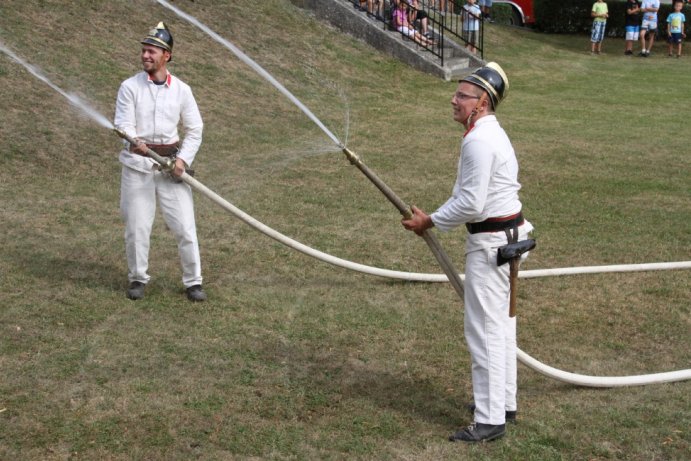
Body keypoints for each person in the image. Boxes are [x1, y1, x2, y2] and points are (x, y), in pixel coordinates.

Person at [401, 62, 533, 443]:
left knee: (486, 331)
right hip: (506, 238)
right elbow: (468, 196)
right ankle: (503, 403)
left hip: (493, 244)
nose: (454, 99)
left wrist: (431, 222)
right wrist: (437, 215)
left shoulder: (478, 140)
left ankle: (491, 419)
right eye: (456, 93)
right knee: (502, 328)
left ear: (483, 103)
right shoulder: (486, 133)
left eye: (463, 95)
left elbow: (472, 205)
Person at [114, 22, 207, 302]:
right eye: (143, 51)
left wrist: (182, 160)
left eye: (151, 51)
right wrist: (134, 139)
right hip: (137, 167)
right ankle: (138, 278)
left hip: (170, 169)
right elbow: (122, 124)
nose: (145, 56)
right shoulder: (129, 87)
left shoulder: (182, 90)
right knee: (137, 227)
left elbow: (195, 129)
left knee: (185, 228)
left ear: (166, 55)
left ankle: (193, 282)